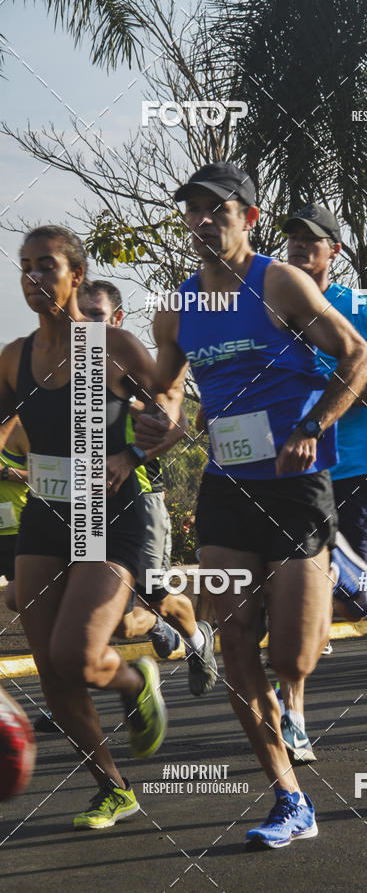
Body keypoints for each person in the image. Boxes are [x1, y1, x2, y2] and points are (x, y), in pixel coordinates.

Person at [144, 163, 367, 848]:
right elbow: (166, 392)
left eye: (217, 209)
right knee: (238, 644)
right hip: (228, 485)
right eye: (193, 210)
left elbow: (357, 357)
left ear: (248, 215)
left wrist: (312, 427)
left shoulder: (279, 282)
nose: (203, 220)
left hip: (296, 482)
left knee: (294, 656)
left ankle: (338, 569)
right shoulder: (178, 308)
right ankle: (289, 797)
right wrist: (156, 418)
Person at [0, 225, 180, 828]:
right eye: (25, 266)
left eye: (46, 266)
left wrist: (136, 451)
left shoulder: (111, 346)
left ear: (76, 275)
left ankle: (132, 680)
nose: (34, 278)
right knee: (51, 669)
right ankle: (113, 787)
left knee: (76, 655)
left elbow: (170, 407)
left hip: (109, 516)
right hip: (46, 517)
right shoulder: (15, 357)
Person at [275, 204, 367, 764]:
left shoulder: (356, 309)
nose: (298, 248)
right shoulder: (275, 307)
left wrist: (338, 400)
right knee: (298, 591)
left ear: (333, 252)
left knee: (344, 594)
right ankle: (295, 717)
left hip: (356, 470)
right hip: (294, 473)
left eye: (311, 241)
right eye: (291, 238)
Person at [78, 281, 216, 695]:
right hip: (86, 504)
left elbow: (178, 421)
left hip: (139, 497)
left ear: (117, 319)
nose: (86, 324)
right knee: (100, 608)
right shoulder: (62, 366)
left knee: (153, 593)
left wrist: (130, 452)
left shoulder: (127, 363)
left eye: (96, 316)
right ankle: (71, 685)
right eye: (79, 315)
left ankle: (196, 638)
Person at [0, 415, 29, 611]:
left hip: (16, 530)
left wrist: (5, 472)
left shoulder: (20, 427)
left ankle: (144, 604)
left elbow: (48, 474)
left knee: (17, 600)